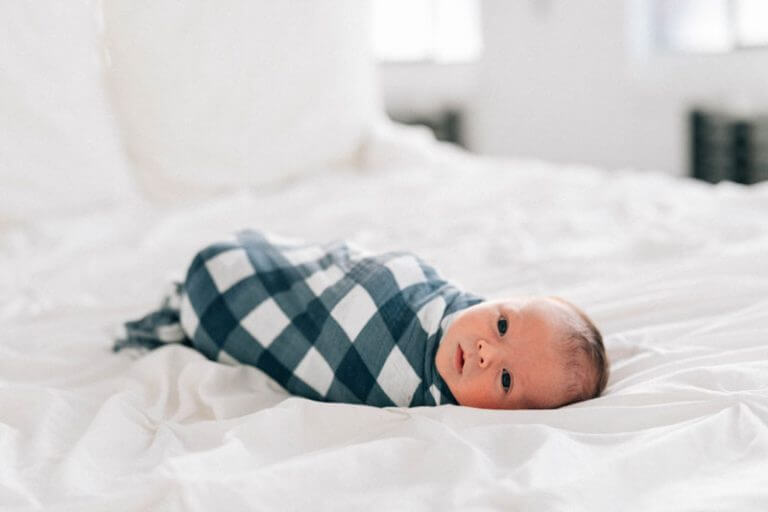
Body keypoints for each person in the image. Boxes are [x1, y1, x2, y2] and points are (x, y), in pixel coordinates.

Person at [115, 230, 609, 409]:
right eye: (502, 325)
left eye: (505, 378)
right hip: (269, 270)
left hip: (221, 311)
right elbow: (356, 270)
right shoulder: (437, 293)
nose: (486, 350)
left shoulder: (422, 401)